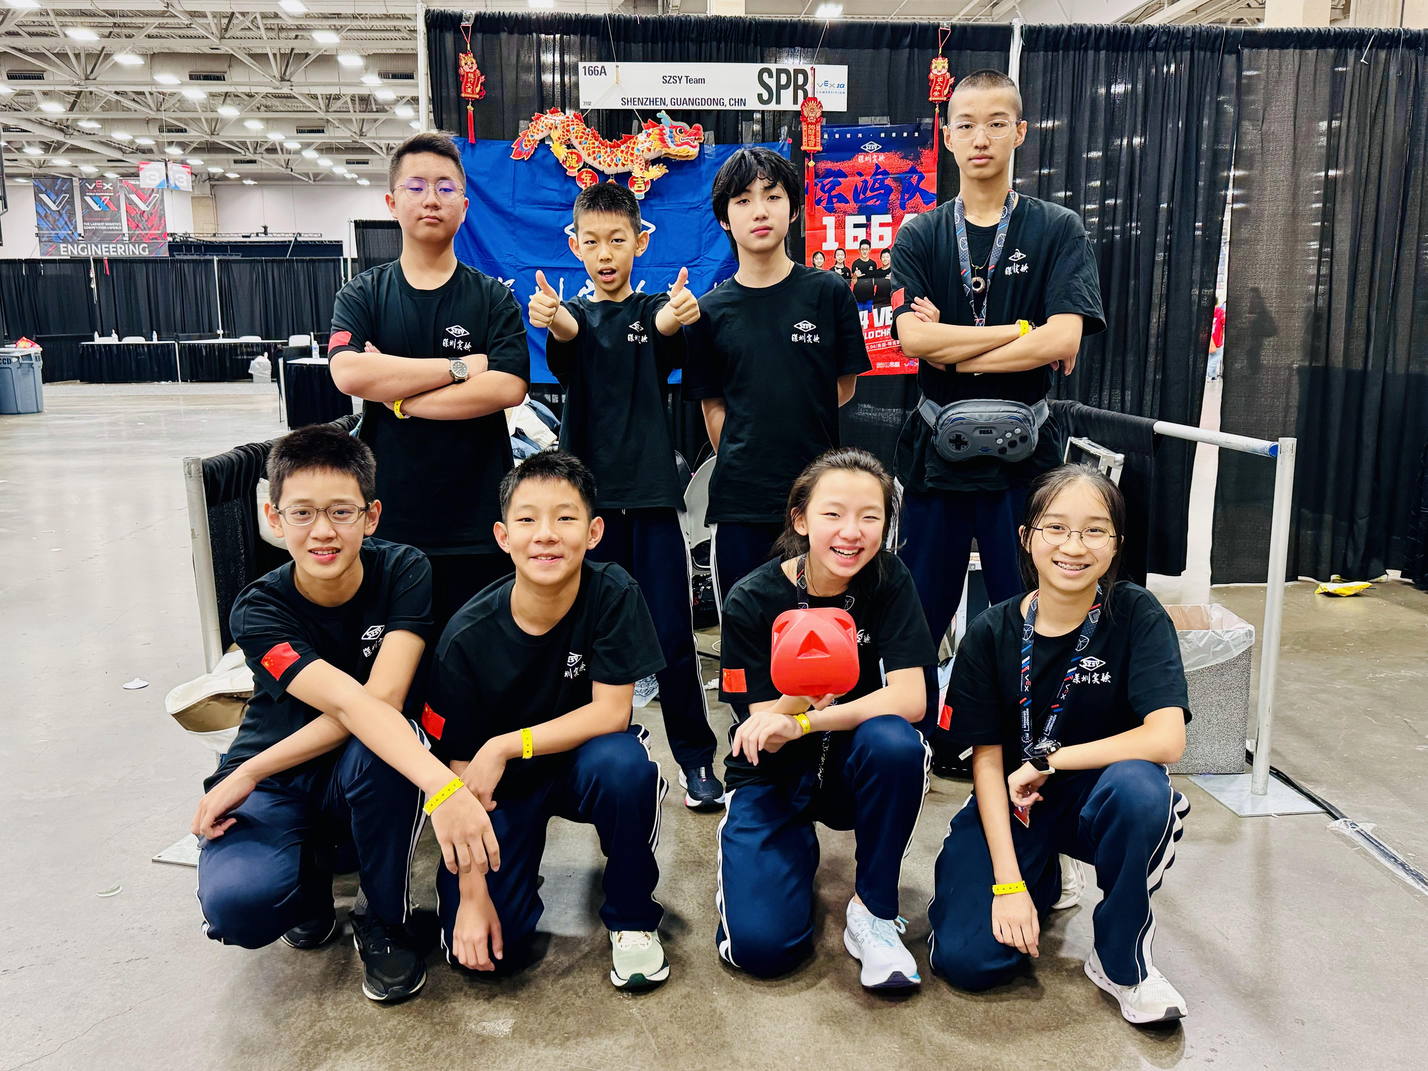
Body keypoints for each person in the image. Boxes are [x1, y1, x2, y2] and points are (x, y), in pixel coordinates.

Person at [192, 425, 500, 1005]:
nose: (323, 531)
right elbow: (349, 702)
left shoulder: (404, 570)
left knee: (389, 744)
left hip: (360, 772)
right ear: (273, 518)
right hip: (278, 775)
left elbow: (380, 701)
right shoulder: (258, 608)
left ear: (371, 515)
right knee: (240, 906)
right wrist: (250, 770)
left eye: (341, 511)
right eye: (302, 513)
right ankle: (305, 885)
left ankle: (383, 919)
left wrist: (441, 787)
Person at [927, 465, 1192, 1024]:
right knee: (968, 962)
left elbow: (1167, 738)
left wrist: (1050, 759)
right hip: (1016, 801)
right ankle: (1043, 872)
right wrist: (1008, 883)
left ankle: (1122, 962)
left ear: (1116, 543)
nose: (1074, 546)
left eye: (1095, 530)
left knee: (1142, 790)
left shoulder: (1136, 614)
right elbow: (986, 763)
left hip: (1100, 796)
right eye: (1056, 528)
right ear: (1027, 537)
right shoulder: (990, 633)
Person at [889, 69, 1104, 755]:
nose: (980, 137)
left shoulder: (1057, 229)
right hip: (937, 456)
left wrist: (957, 348)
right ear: (947, 136)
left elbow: (1063, 338)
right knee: (919, 610)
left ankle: (1022, 743)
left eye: (995, 123)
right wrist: (1018, 332)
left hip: (1026, 463)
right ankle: (911, 742)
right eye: (966, 124)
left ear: (1020, 132)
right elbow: (912, 340)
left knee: (1033, 608)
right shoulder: (921, 234)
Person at [422, 450, 671, 990]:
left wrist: (506, 744)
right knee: (492, 953)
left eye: (565, 517)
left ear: (594, 531)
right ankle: (514, 866)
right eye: (527, 519)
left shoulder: (613, 593)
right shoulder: (465, 638)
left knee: (625, 765)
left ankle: (632, 916)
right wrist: (473, 895)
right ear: (503, 536)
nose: (546, 535)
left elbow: (612, 712)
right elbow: (463, 783)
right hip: (502, 791)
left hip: (582, 764)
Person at [528, 181, 724, 812]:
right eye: (592, 242)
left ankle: (695, 760)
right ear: (575, 246)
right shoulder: (573, 317)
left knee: (672, 637)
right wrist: (551, 315)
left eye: (617, 240)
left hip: (650, 500)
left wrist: (679, 310)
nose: (605, 253)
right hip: (583, 509)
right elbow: (567, 334)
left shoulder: (650, 311)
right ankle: (579, 755)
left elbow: (664, 326)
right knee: (576, 637)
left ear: (640, 242)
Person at [714, 448, 935, 987]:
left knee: (896, 743)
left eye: (870, 516)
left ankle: (874, 912)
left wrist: (811, 721)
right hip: (773, 774)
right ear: (801, 519)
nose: (851, 532)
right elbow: (764, 732)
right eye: (833, 513)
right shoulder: (751, 599)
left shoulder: (889, 579)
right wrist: (804, 689)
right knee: (763, 950)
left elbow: (911, 699)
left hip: (850, 765)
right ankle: (776, 857)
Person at [328, 130, 530, 636]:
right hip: (389, 523)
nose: (431, 199)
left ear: (465, 205)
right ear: (392, 203)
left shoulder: (493, 299)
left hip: (479, 525)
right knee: (397, 662)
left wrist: (398, 398)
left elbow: (507, 388)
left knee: (473, 661)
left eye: (445, 187)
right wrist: (461, 367)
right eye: (416, 187)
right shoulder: (363, 295)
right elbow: (349, 373)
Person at [684, 147, 870, 607]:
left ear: (794, 209)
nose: (760, 211)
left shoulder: (828, 293)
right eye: (743, 200)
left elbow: (844, 385)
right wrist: (750, 448)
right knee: (746, 633)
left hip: (819, 499)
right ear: (724, 218)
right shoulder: (709, 312)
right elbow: (712, 406)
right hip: (740, 503)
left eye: (772, 196)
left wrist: (794, 414)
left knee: (822, 631)